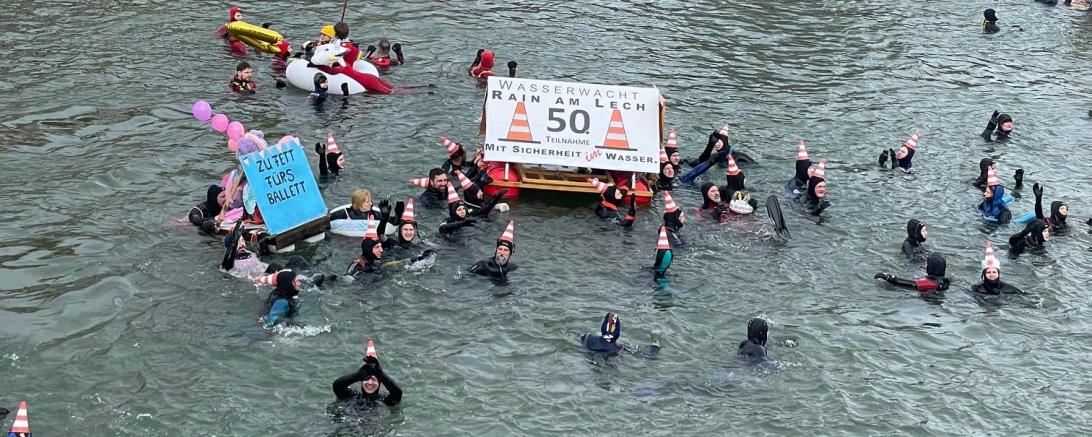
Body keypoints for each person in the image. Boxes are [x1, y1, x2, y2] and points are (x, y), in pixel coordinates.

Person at [332, 341, 403, 407]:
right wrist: (357, 375)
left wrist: (379, 373)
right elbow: (337, 386)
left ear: (380, 382)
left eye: (374, 379)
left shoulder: (385, 401)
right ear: (361, 381)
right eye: (366, 379)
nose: (370, 382)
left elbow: (397, 393)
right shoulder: (352, 396)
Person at [874, 253, 951, 293]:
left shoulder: (929, 283)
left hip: (928, 303)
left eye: (928, 264)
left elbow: (904, 283)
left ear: (931, 267)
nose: (926, 265)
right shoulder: (945, 280)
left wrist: (886, 276)